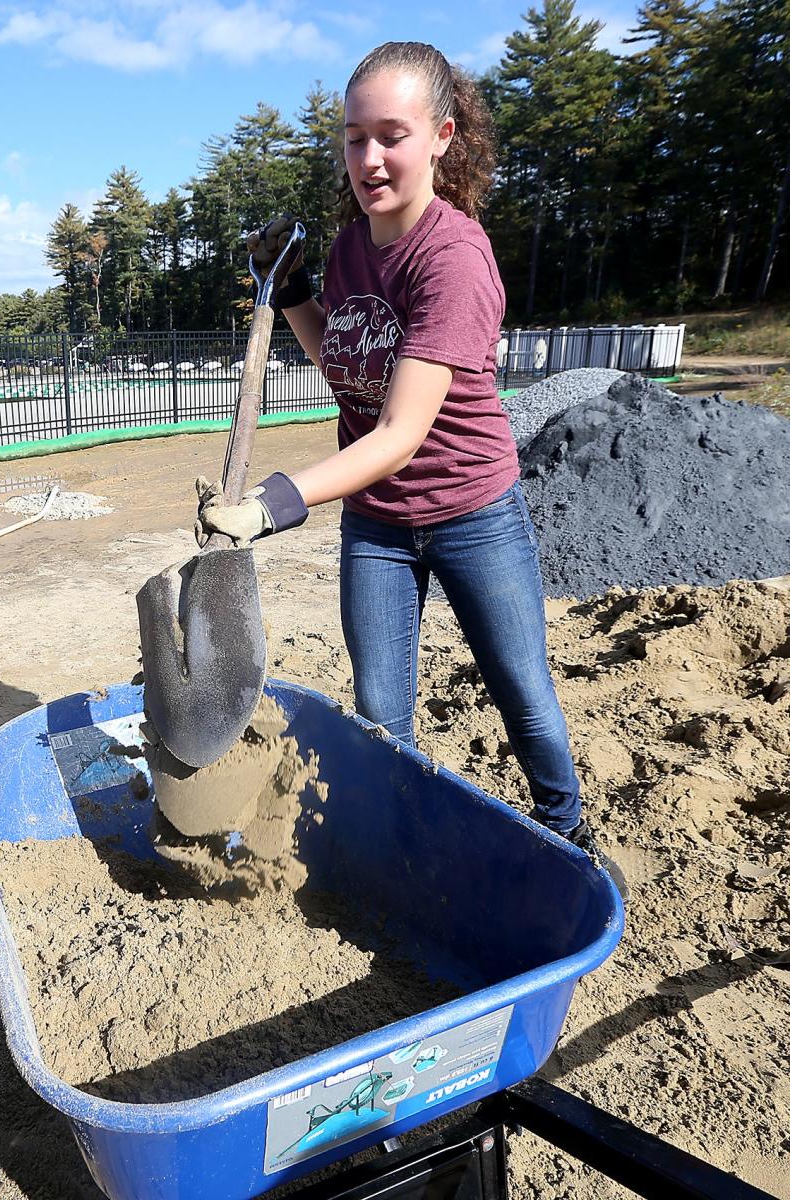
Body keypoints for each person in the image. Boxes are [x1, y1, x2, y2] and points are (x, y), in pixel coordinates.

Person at [196, 40, 626, 896]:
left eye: (391, 135)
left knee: (523, 694)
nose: (368, 159)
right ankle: (402, 856)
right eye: (354, 138)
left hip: (473, 513)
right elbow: (349, 365)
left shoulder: (454, 259)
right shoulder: (354, 248)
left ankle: (568, 835)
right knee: (380, 716)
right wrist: (293, 297)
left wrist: (271, 504)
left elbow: (397, 433)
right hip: (379, 527)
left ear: (442, 136)